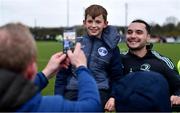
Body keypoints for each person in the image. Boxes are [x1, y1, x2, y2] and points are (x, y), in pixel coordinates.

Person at [0, 23, 101, 112]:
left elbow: (14, 88)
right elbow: (92, 106)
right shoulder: (49, 108)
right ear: (32, 70)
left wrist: (46, 72)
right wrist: (81, 66)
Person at [54, 4, 123, 111]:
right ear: (84, 23)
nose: (93, 25)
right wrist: (58, 97)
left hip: (99, 90)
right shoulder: (73, 44)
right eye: (90, 21)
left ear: (105, 24)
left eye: (98, 22)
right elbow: (62, 74)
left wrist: (113, 96)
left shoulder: (112, 47)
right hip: (73, 90)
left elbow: (117, 77)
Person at [112, 19, 180, 111]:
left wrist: (177, 96)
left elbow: (178, 86)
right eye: (129, 32)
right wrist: (112, 96)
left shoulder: (161, 62)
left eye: (139, 32)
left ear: (148, 37)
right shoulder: (118, 59)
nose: (133, 36)